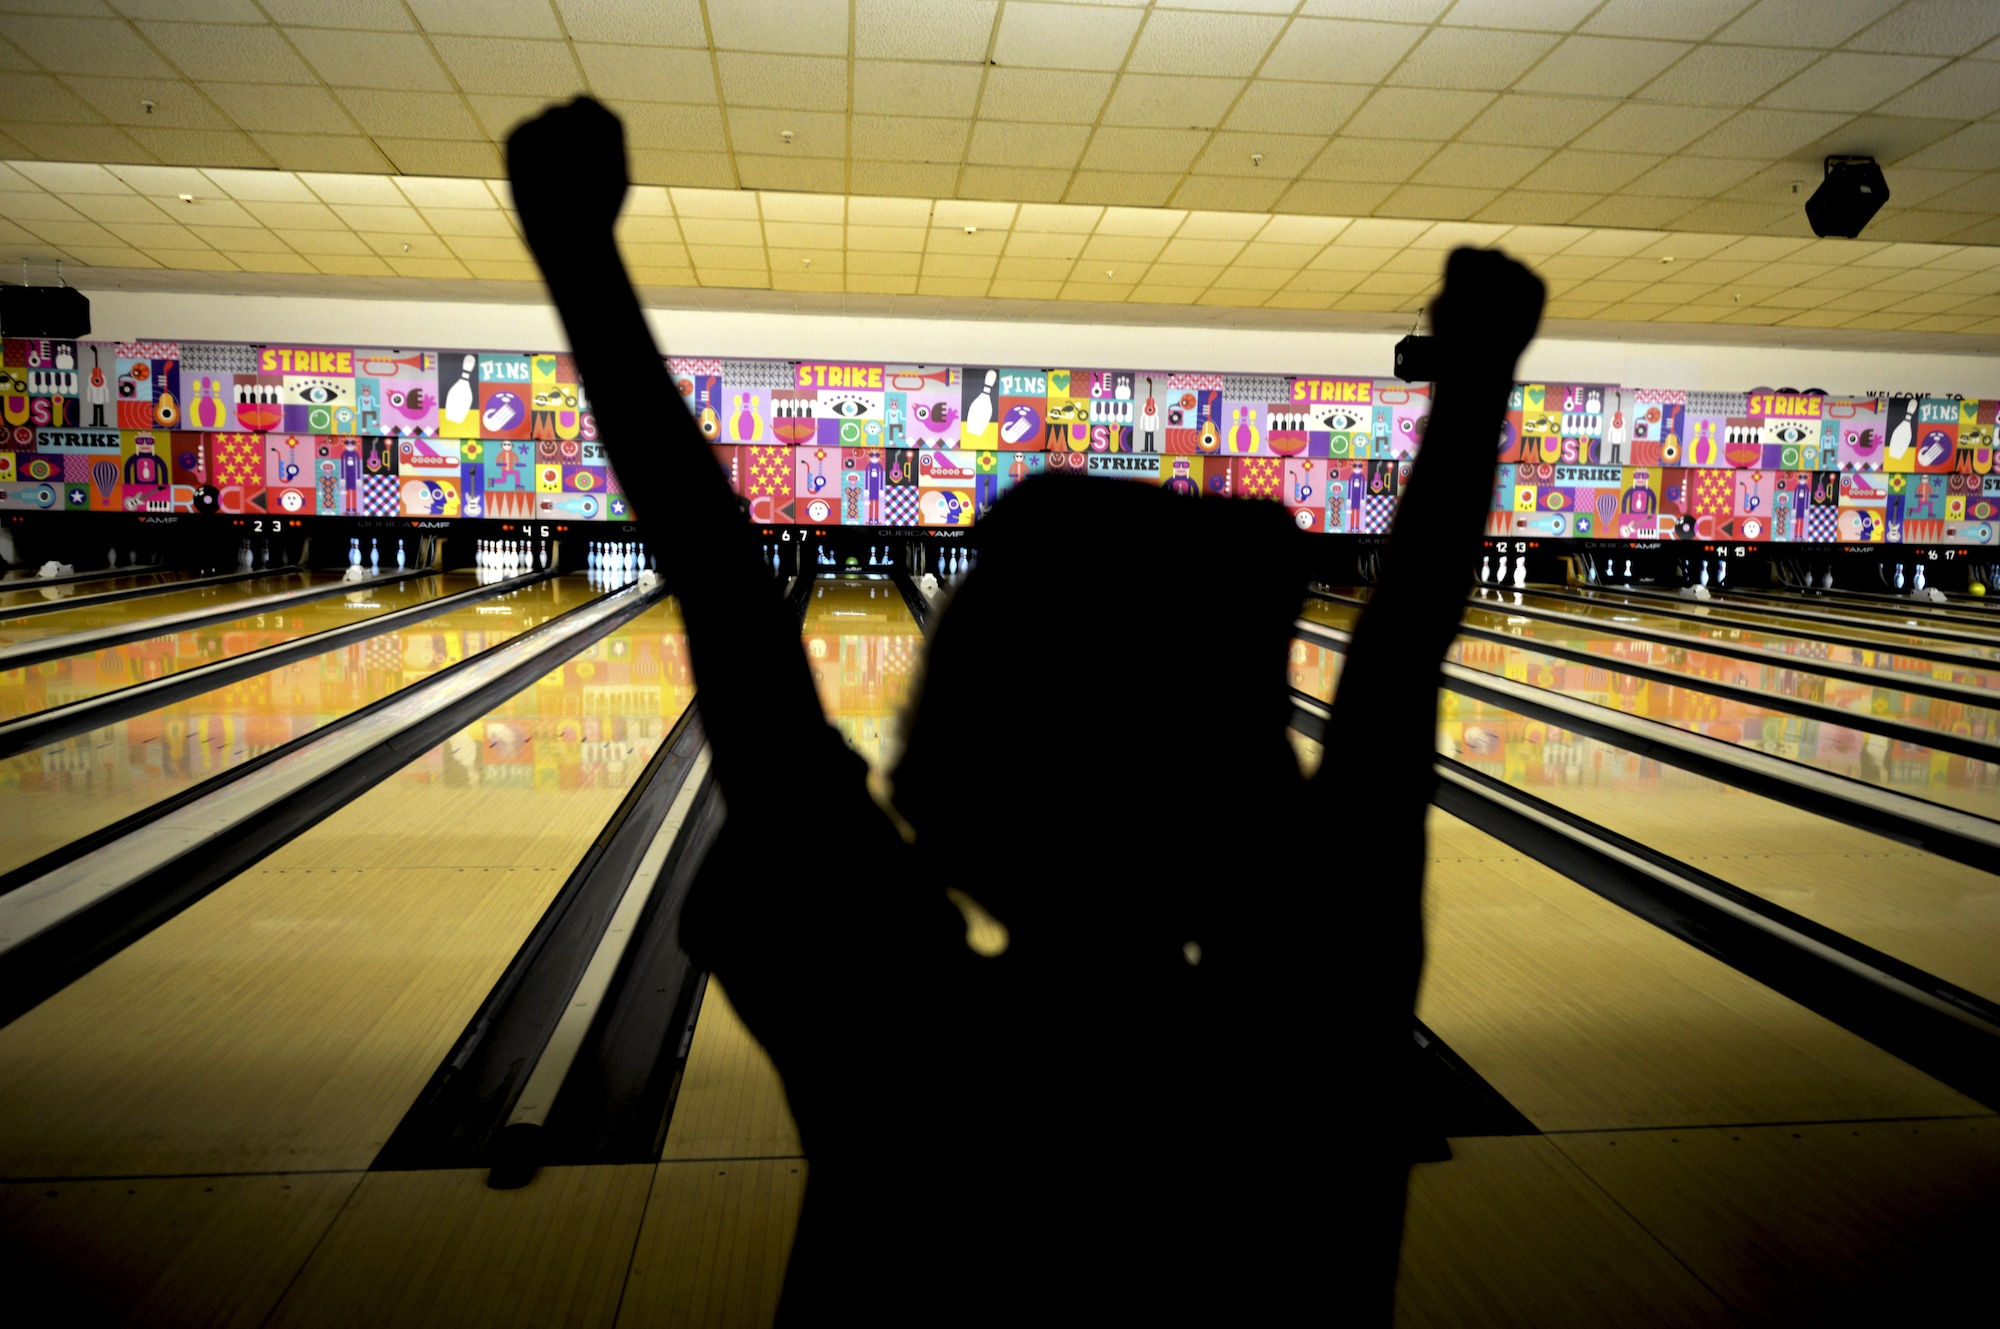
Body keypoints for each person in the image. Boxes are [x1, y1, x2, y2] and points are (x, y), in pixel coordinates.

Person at [508, 98, 1543, 1325]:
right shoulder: (1314, 1049)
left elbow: (735, 613)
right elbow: (1394, 673)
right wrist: (1475, 383)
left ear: (938, 775)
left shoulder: (902, 1056)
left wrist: (578, 254)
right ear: (1255, 795)